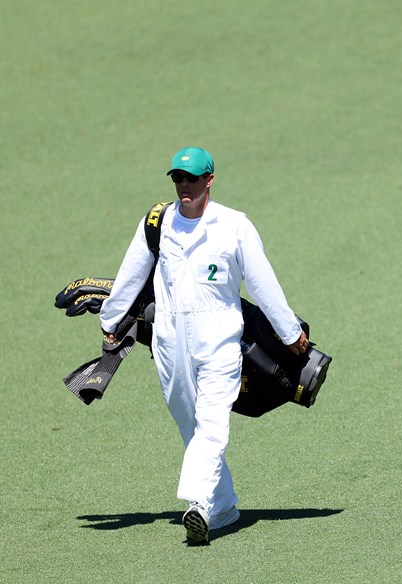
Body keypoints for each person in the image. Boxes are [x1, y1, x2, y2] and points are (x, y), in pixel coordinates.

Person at [100, 146, 309, 543]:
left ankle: (198, 504)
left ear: (209, 180)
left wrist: (289, 331)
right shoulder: (157, 222)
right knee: (190, 423)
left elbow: (263, 283)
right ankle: (224, 507)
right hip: (168, 340)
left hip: (219, 341)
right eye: (178, 178)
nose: (184, 186)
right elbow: (131, 272)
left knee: (212, 420)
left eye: (192, 178)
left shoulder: (234, 226)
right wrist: (111, 320)